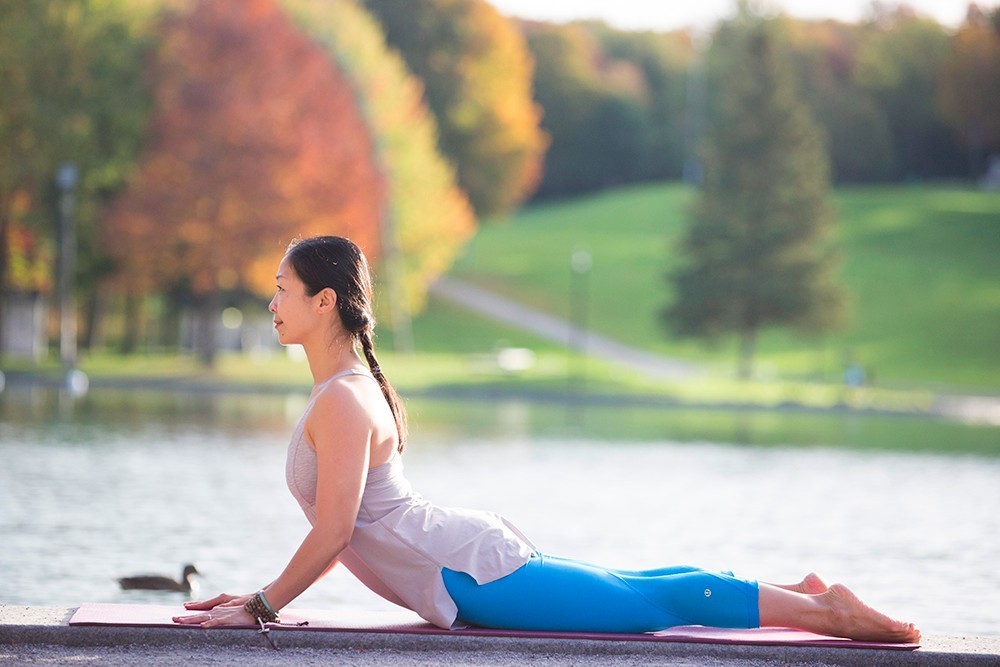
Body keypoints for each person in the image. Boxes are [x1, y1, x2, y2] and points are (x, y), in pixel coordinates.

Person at [174, 235, 920, 643]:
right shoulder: (340, 394)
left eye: (280, 287)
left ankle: (830, 614)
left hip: (467, 571)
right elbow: (348, 533)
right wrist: (263, 595)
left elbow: (338, 531)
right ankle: (805, 593)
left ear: (323, 300)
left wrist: (265, 605)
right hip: (459, 569)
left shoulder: (341, 401)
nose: (270, 301)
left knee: (641, 606)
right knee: (639, 588)